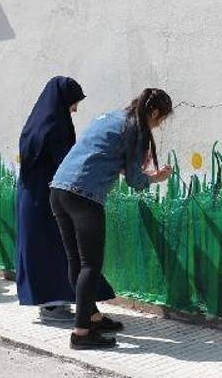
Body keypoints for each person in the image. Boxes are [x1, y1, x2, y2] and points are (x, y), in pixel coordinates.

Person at [50, 88, 174, 350]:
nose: (158, 124)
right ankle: (81, 334)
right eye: (160, 119)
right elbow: (135, 181)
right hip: (84, 195)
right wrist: (155, 176)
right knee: (90, 265)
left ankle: (91, 317)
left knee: (77, 260)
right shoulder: (136, 130)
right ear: (154, 112)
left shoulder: (110, 117)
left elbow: (102, 155)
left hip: (59, 189)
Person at [16, 76, 114, 322]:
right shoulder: (56, 127)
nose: (75, 108)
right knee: (60, 249)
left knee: (46, 248)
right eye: (73, 103)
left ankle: (54, 303)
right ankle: (54, 305)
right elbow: (66, 162)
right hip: (49, 197)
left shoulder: (35, 125)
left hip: (33, 196)